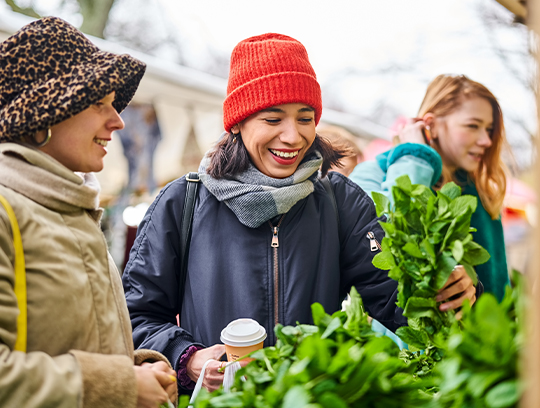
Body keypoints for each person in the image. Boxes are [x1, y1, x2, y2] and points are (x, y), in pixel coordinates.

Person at [122, 34, 478, 395]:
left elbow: (396, 301)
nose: (292, 136)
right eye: (273, 118)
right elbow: (135, 317)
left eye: (305, 118)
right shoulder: (183, 201)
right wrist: (189, 359)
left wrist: (446, 290)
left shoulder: (340, 202)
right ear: (238, 122)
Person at [0, 17, 177, 408]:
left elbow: (66, 342)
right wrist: (120, 385)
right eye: (100, 104)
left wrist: (140, 369)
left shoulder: (72, 207)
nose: (117, 121)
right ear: (44, 114)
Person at [349, 74, 509, 301]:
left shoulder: (481, 194)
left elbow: (499, 290)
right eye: (473, 126)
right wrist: (415, 157)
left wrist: (475, 289)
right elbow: (388, 246)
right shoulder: (371, 175)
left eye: (489, 129)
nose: (486, 140)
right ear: (431, 125)